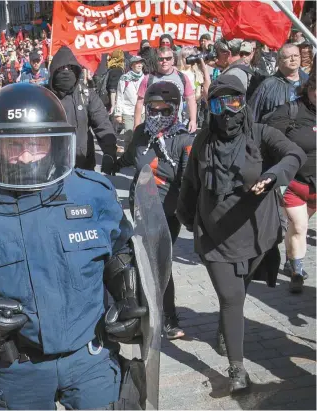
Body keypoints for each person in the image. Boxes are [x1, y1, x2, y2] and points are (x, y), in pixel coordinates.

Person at [0, 83, 146, 409]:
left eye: (36, 144)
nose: (25, 156)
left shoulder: (92, 194)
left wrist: (128, 295)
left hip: (90, 357)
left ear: (55, 144)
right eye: (14, 145)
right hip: (16, 367)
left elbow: (120, 251)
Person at [176, 75, 306, 393]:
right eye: (219, 103)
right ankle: (238, 369)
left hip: (256, 235)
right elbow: (190, 183)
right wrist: (185, 218)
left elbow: (294, 155)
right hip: (215, 235)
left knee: (240, 290)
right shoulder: (204, 140)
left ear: (244, 102)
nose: (228, 111)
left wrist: (274, 176)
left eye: (234, 101)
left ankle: (226, 329)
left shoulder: (260, 134)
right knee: (232, 299)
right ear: (211, 107)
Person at [116, 81, 194, 340]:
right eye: (153, 109)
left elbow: (187, 182)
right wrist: (110, 163)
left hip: (167, 214)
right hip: (140, 208)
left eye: (165, 110)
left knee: (160, 264)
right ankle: (144, 314)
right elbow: (130, 158)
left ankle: (169, 318)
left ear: (175, 108)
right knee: (143, 263)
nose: (158, 116)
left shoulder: (183, 139)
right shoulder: (141, 132)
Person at [266, 75, 316, 292]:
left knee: (297, 229)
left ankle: (291, 255)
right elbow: (267, 138)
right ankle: (296, 271)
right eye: (316, 89)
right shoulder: (291, 111)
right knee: (299, 226)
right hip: (294, 184)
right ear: (308, 88)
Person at [49, 46, 118, 173]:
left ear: (76, 71)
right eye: (61, 68)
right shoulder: (45, 96)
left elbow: (102, 122)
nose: (66, 72)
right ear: (54, 70)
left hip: (84, 166)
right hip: (52, 167)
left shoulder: (86, 94)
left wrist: (109, 152)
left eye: (70, 68)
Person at [134, 47, 197, 133]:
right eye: (161, 59)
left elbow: (191, 100)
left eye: (168, 58)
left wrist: (193, 120)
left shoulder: (182, 77)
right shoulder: (148, 79)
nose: (165, 61)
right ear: (157, 60)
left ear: (173, 60)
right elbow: (140, 103)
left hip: (176, 126)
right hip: (153, 127)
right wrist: (136, 125)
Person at [249, 43, 309, 122]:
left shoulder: (309, 82)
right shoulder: (267, 85)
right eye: (288, 56)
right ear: (279, 60)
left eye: (296, 55)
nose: (293, 59)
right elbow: (251, 117)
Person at [114, 56, 146, 151]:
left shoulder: (145, 78)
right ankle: (128, 157)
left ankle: (138, 156)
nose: (139, 65)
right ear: (132, 65)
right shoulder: (124, 79)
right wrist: (118, 114)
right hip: (128, 112)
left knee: (141, 136)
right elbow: (119, 96)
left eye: (141, 63)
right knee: (129, 136)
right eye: (137, 63)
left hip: (142, 112)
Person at [177, 47, 211, 129]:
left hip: (193, 106)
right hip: (180, 106)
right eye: (185, 57)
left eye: (190, 57)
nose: (188, 60)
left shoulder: (197, 73)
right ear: (181, 58)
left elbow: (200, 89)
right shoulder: (178, 73)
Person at [106, 50, 125, 115]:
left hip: (111, 101)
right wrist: (113, 106)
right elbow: (113, 90)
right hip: (114, 103)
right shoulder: (117, 70)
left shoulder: (112, 69)